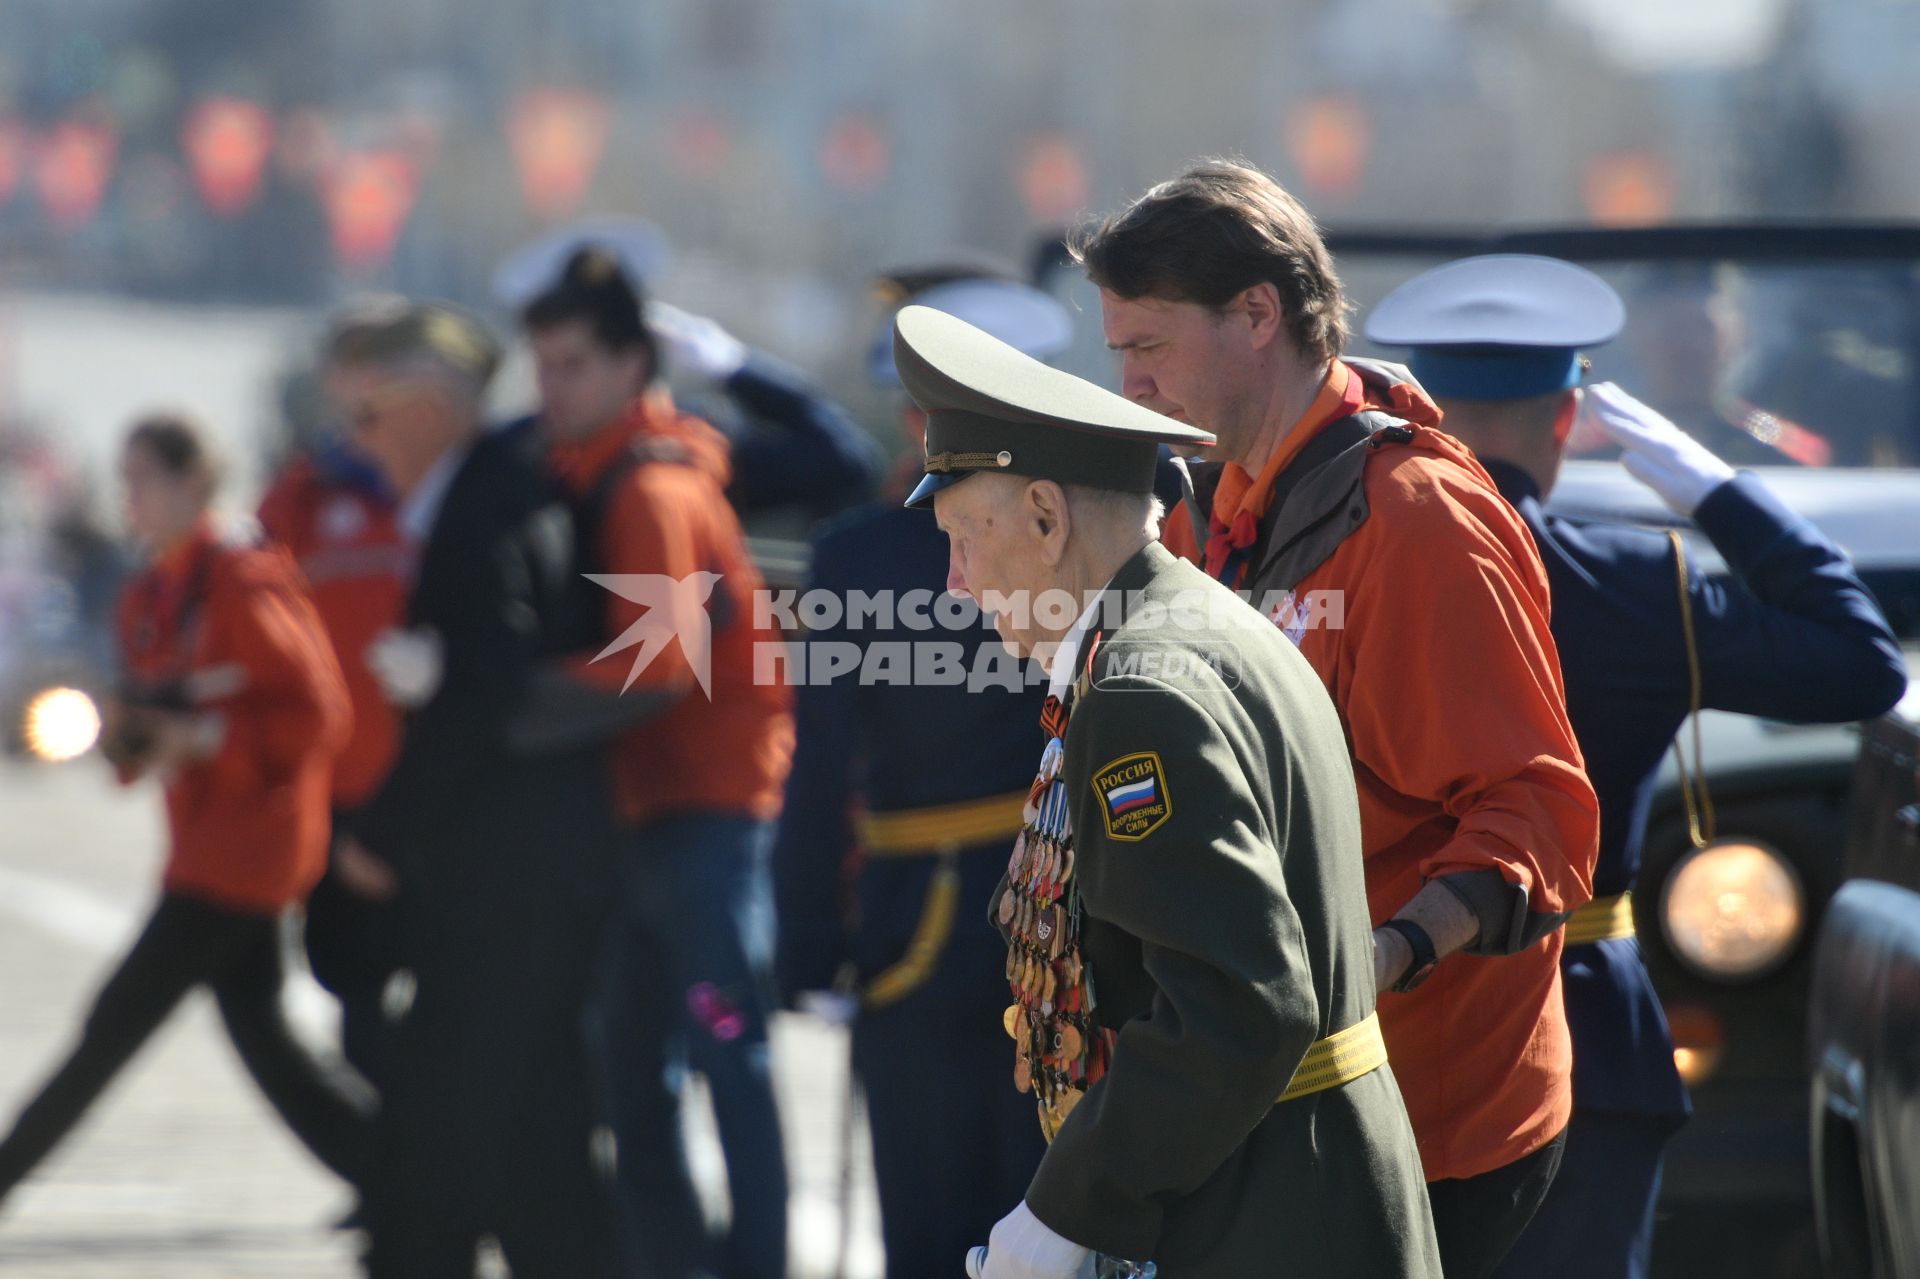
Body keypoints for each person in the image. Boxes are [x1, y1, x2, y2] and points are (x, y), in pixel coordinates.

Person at [1074, 161, 1599, 1278]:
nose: (1128, 381)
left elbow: (1539, 815)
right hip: (1297, 1097)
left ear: (1258, 315)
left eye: (1150, 347)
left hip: (1424, 1124)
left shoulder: (1417, 520)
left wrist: (1389, 951)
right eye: (1119, 349)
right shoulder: (1222, 500)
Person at [1364, 253, 1909, 1279]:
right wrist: (1719, 493)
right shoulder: (1629, 583)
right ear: (1568, 419)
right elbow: (1861, 661)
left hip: (1382, 1018)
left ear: (1427, 412)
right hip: (1571, 1028)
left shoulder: (1348, 573)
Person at [896, 304, 1442, 1278]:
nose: (955, 583)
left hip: (1265, 1218)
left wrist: (1064, 1215)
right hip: (1290, 1192)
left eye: (963, 538)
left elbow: (1239, 1004)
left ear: (1045, 516)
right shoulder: (1197, 626)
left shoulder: (1141, 687)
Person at [774, 272, 1074, 1278]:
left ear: (915, 413)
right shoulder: (1092, 524)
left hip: (915, 923)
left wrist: (809, 941)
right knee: (1049, 1210)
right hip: (1065, 912)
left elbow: (819, 771)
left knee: (925, 1213)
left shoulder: (857, 555)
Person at [0, 412, 372, 1211]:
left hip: (249, 852)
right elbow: (146, 717)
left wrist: (204, 738)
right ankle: (422, 1187)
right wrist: (127, 737)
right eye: (124, 478)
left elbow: (317, 716)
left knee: (112, 1026)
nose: (129, 496)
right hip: (205, 845)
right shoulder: (151, 589)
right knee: (275, 1052)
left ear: (192, 482)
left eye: (144, 479)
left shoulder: (242, 578)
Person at [324, 302, 617, 1279]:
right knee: (540, 1157)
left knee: (433, 1149)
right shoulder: (497, 486)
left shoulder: (481, 500)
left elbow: (492, 681)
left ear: (430, 409)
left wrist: (384, 830)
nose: (361, 444)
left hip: (507, 882)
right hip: (525, 874)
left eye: (370, 416)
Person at [520, 249, 795, 1279]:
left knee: (723, 1059)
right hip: (655, 822)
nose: (552, 387)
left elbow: (660, 663)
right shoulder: (614, 472)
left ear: (634, 363)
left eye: (574, 364)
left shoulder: (651, 490)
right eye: (542, 364)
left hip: (703, 829)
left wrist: (516, 702)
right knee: (642, 1077)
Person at [256, 326, 414, 1155]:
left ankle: (420, 1172)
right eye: (350, 376)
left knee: (444, 990)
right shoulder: (303, 498)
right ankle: (388, 1169)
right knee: (348, 979)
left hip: (430, 784)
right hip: (339, 786)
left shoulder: (439, 490)